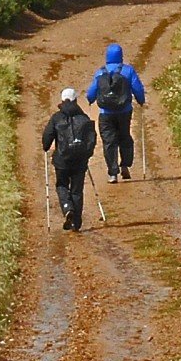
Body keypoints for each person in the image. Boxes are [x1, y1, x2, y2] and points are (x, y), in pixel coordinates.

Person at [89, 42, 148, 181]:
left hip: (106, 113)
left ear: (107, 56)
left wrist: (90, 100)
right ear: (121, 55)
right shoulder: (128, 71)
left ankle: (112, 173)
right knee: (124, 137)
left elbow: (91, 92)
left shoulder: (100, 72)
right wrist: (141, 101)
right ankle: (125, 166)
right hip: (124, 111)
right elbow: (137, 88)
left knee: (109, 142)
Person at [41, 88, 97, 231]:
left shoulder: (56, 118)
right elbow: (92, 139)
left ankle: (67, 208)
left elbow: (47, 136)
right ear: (76, 100)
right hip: (79, 161)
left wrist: (46, 147)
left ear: (62, 101)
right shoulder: (84, 118)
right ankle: (76, 224)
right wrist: (87, 154)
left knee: (62, 186)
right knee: (77, 191)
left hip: (62, 161)